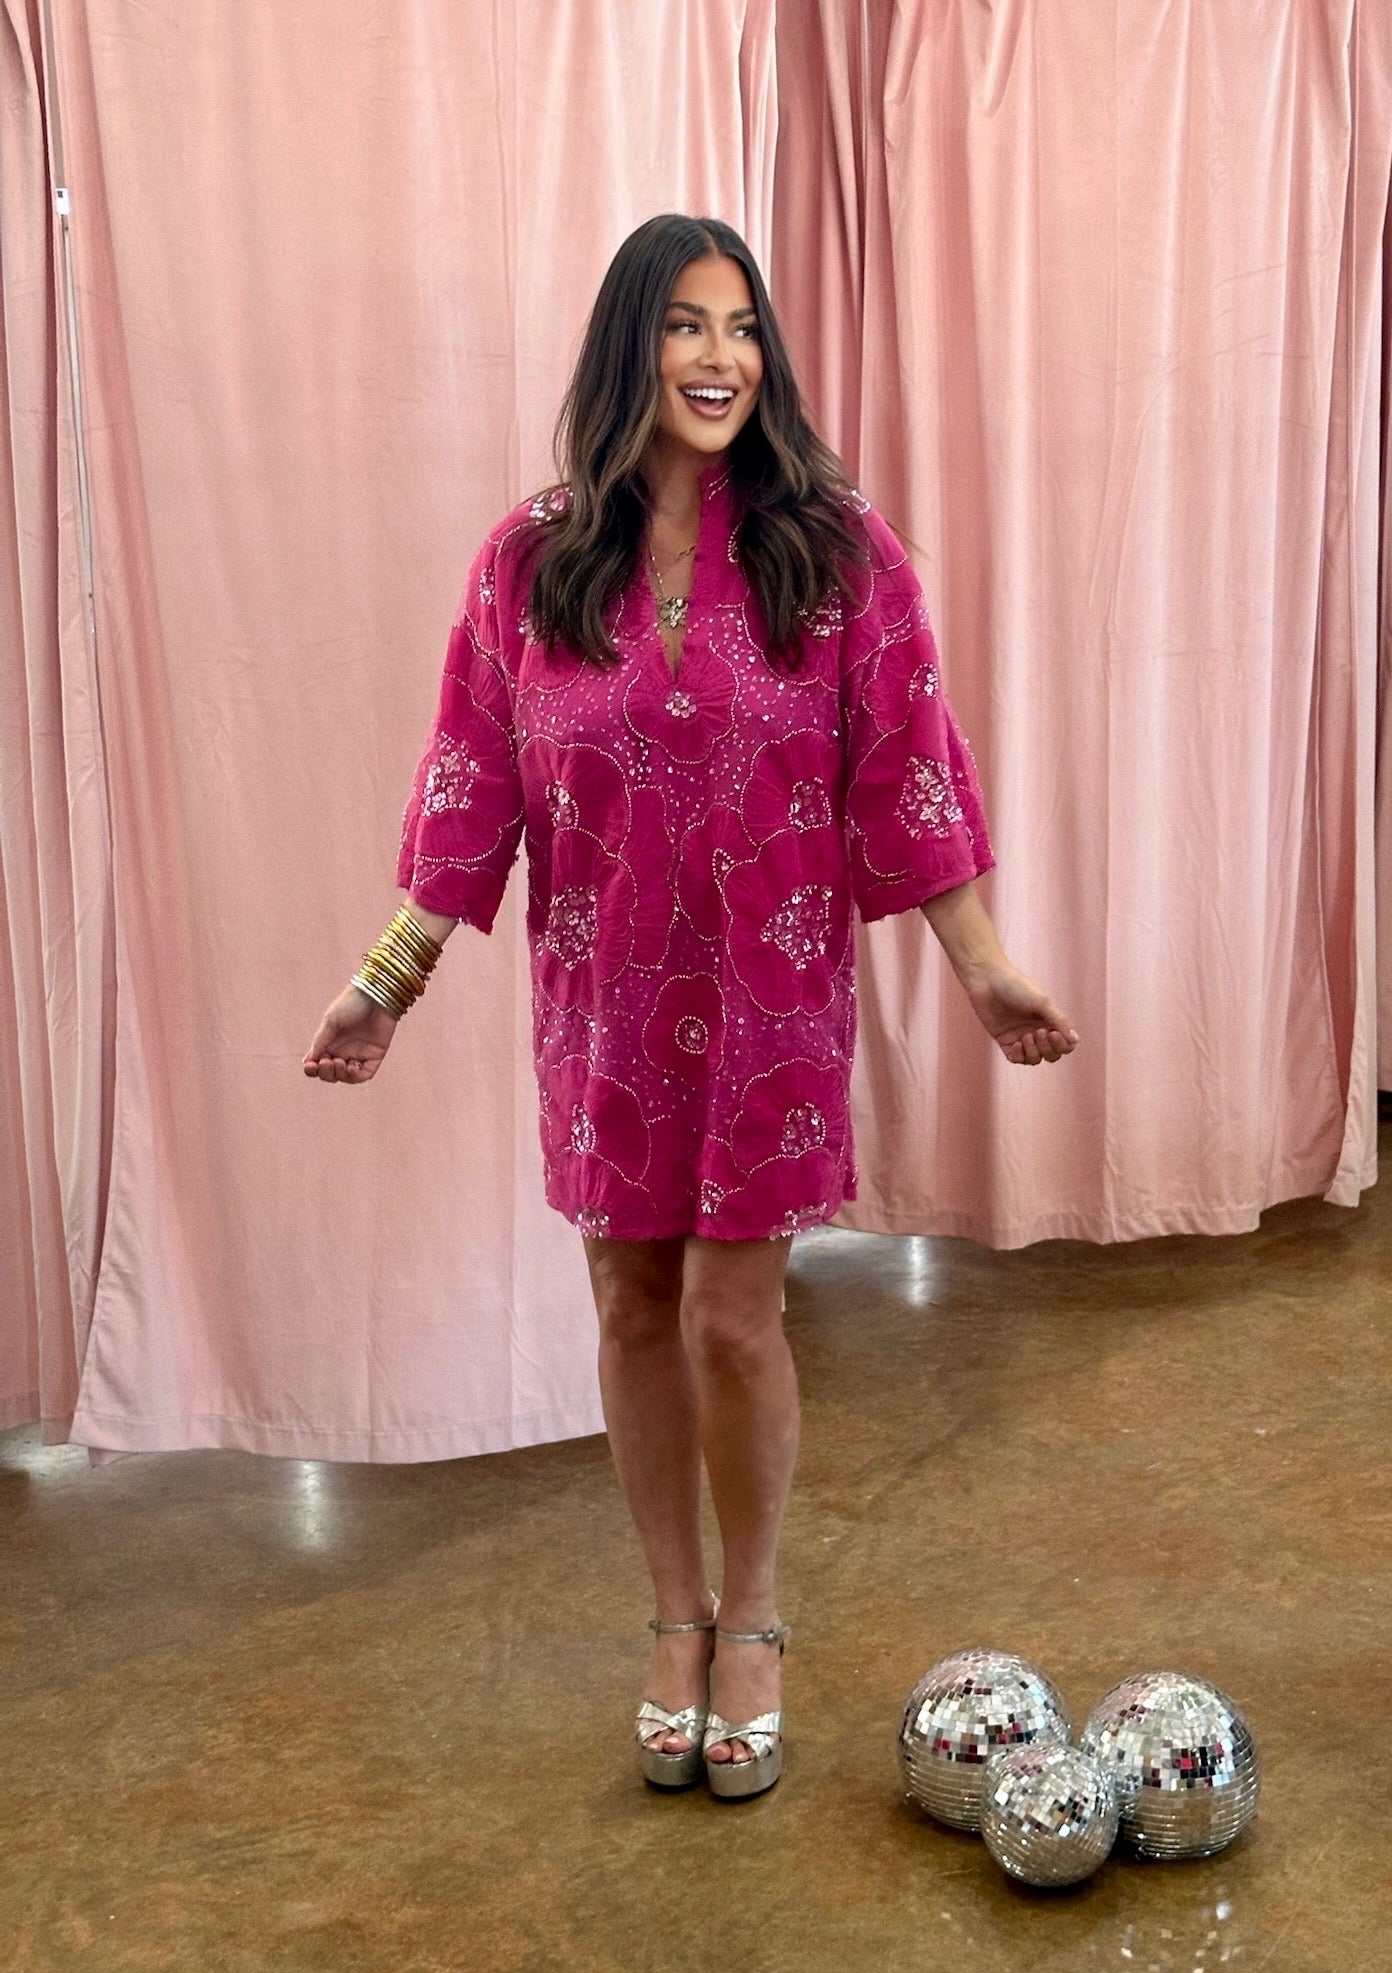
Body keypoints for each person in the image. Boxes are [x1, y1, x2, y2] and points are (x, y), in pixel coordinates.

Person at [303, 214, 1078, 1802]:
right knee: (630, 1306)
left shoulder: (837, 553)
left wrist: (982, 962)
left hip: (773, 998)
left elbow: (907, 772)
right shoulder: (530, 561)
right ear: (629, 349)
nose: (719, 358)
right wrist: (388, 979)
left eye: (740, 329)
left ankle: (759, 1616)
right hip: (599, 1003)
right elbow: (472, 780)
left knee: (734, 1315)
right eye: (683, 326)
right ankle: (675, 1616)